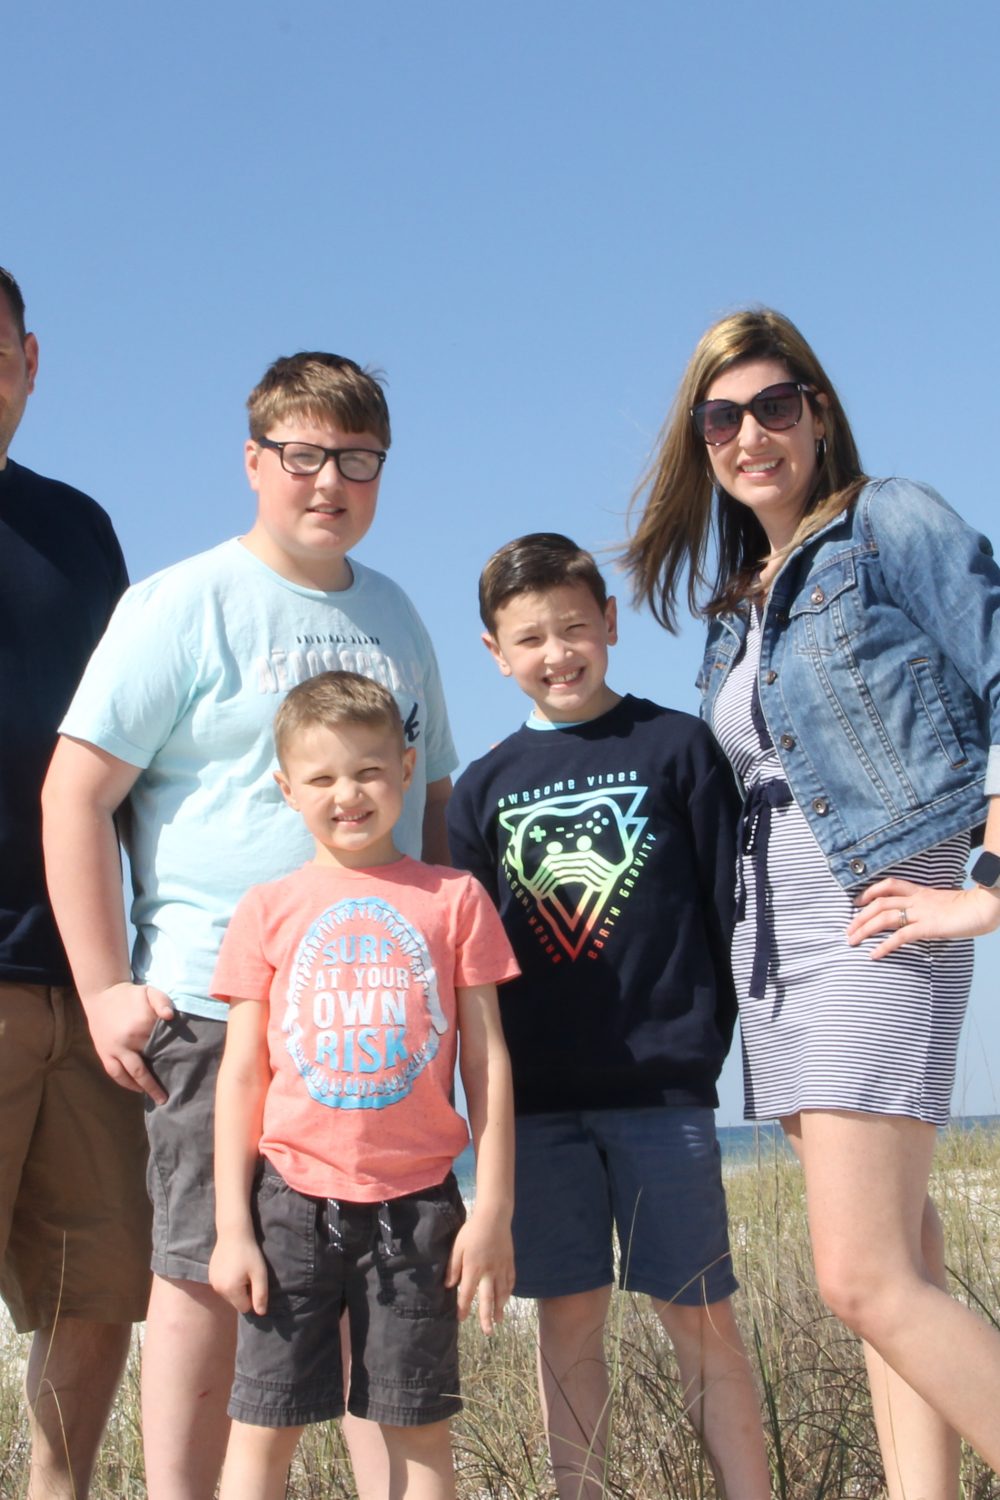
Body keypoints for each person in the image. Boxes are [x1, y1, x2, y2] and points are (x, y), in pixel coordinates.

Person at [41, 352, 458, 1500]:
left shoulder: (395, 613)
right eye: (304, 456)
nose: (330, 481)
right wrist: (102, 987)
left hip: (371, 1029)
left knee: (377, 1291)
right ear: (256, 461)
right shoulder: (179, 604)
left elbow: (433, 806)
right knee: (204, 1278)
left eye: (357, 460)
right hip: (219, 1016)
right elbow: (75, 793)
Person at [622, 305, 1000, 1495]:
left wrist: (983, 889)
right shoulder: (739, 603)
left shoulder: (889, 522)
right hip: (778, 939)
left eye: (775, 405)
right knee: (905, 1265)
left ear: (818, 412)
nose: (750, 434)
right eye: (721, 417)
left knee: (858, 1275)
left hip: (884, 900)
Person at [446, 533, 770, 1500]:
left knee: (701, 1315)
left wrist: (700, 1044)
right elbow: (472, 969)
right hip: (539, 1107)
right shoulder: (482, 787)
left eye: (576, 627)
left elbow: (726, 907)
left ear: (611, 626)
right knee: (569, 1320)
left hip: (663, 1095)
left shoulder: (678, 747)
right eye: (532, 636)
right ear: (495, 652)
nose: (559, 652)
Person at [208, 671, 518, 1500]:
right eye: (322, 777)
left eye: (369, 771)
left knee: (419, 1436)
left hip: (418, 1211)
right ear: (286, 789)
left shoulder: (455, 899)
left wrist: (491, 1212)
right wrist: (232, 1226)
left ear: (408, 770)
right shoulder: (266, 909)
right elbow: (242, 1076)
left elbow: (487, 1064)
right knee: (262, 1429)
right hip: (287, 1206)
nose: (348, 794)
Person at [0, 265, 150, 1500]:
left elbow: (134, 748)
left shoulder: (80, 529)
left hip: (87, 983)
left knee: (101, 1291)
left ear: (32, 363)